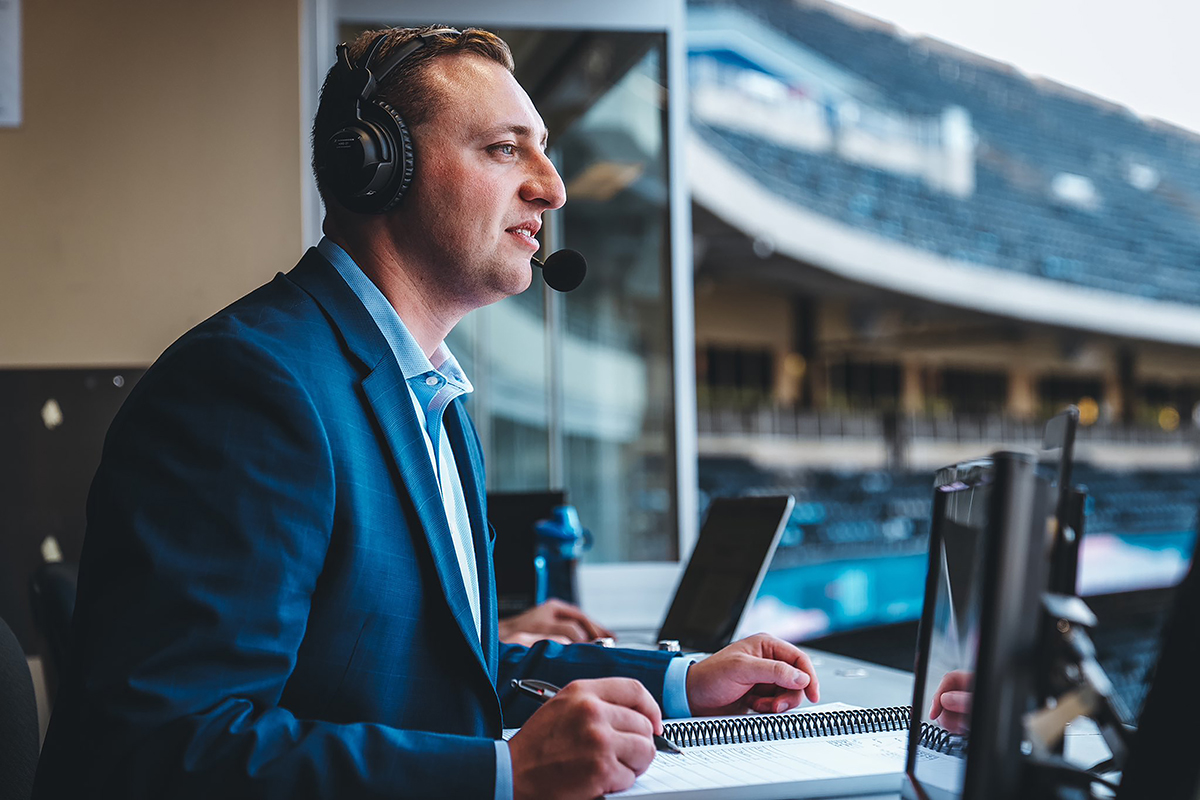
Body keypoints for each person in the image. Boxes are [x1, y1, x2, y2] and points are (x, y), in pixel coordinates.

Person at [32, 26, 819, 800]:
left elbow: (449, 671)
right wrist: (507, 774)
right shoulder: (249, 385)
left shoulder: (431, 398)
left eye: (541, 148)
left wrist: (683, 683)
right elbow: (164, 749)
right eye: (505, 149)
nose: (553, 184)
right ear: (376, 168)